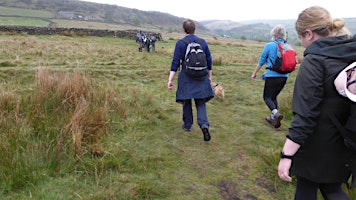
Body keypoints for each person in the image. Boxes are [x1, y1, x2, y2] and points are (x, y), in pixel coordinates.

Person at [277, 6, 356, 200]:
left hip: (316, 143)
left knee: (306, 188)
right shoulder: (349, 53)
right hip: (345, 141)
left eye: (301, 38)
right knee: (332, 189)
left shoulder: (315, 61)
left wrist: (286, 156)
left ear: (309, 34)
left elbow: (305, 114)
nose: (303, 44)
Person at [167, 19, 214, 141]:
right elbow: (209, 61)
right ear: (195, 29)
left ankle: (187, 125)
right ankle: (204, 125)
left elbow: (176, 62)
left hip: (186, 76)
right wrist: (209, 76)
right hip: (201, 76)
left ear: (184, 30)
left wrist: (170, 79)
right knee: (200, 102)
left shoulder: (180, 43)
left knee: (186, 101)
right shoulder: (202, 42)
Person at [251, 24, 289, 128]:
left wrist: (254, 73)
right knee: (274, 96)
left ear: (274, 34)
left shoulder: (270, 45)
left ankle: (276, 114)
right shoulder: (287, 47)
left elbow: (262, 60)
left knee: (267, 97)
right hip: (284, 76)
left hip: (272, 76)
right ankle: (274, 120)